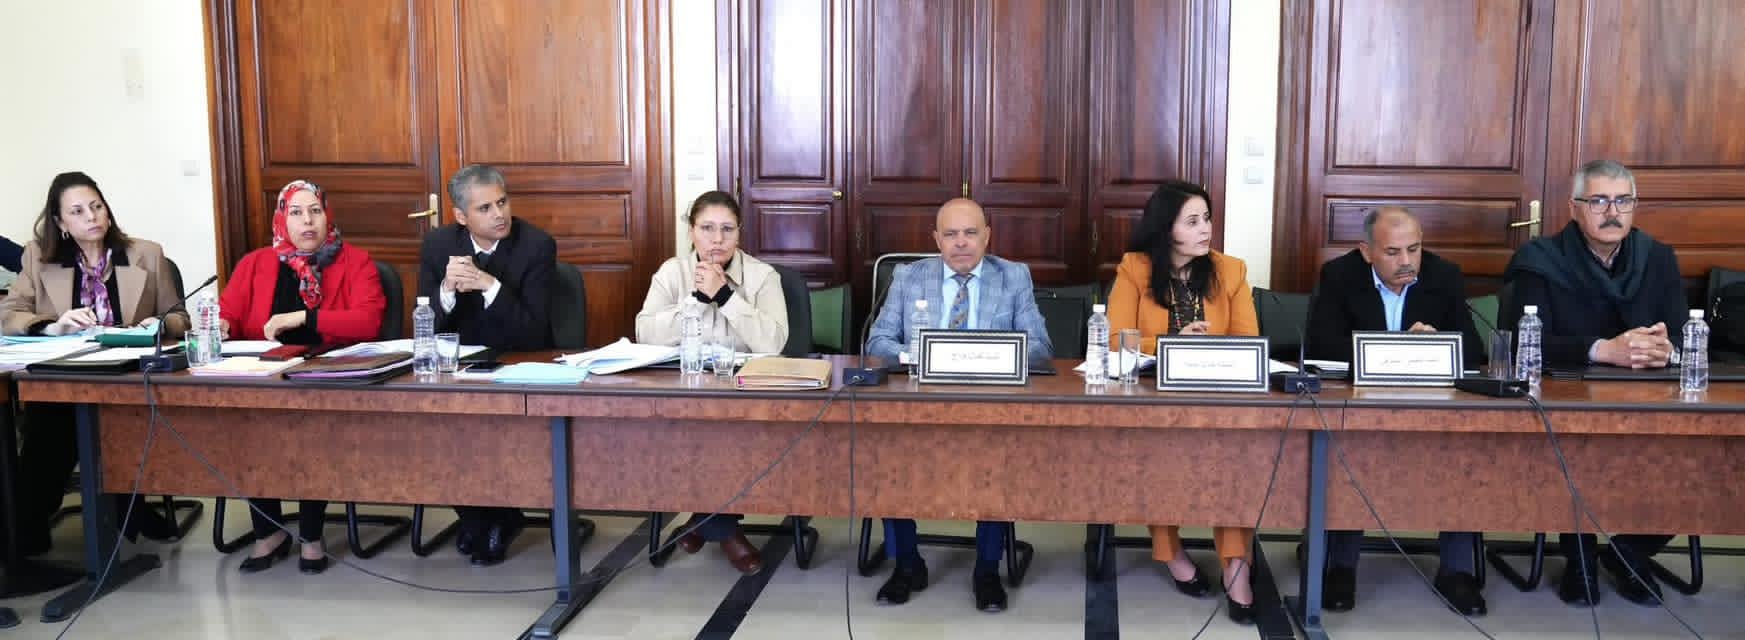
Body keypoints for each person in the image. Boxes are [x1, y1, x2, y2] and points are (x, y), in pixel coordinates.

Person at [1502, 159, 1686, 607]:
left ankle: (1631, 552)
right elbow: (1523, 341)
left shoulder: (1657, 258)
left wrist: (1668, 350)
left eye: (1623, 201)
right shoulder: (1539, 261)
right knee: (1577, 444)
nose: (1612, 212)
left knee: (1699, 455)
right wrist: (1604, 349)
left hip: (1648, 398)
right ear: (1574, 207)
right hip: (1567, 397)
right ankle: (1579, 557)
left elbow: (1686, 334)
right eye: (1599, 200)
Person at [864, 198, 1053, 613]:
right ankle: (907, 563)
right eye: (950, 234)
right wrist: (918, 355)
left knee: (996, 459)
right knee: (886, 453)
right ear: (936, 240)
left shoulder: (1013, 276)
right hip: (918, 405)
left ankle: (986, 569)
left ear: (987, 237)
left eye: (970, 233)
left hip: (989, 407)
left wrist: (987, 356)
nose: (961, 243)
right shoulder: (909, 276)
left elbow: (1041, 348)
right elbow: (877, 341)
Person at [1303, 207, 1487, 616]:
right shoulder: (1339, 276)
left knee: (1465, 448)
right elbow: (1322, 347)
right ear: (1366, 251)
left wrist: (1438, 344)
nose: (1406, 261)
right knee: (1345, 444)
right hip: (1361, 402)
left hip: (1433, 405)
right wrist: (1399, 349)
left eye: (1414, 249)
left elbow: (1475, 351)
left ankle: (1457, 571)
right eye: (1392, 252)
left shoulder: (1444, 276)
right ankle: (1340, 566)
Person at [1, 171, 191, 553]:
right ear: (60, 222)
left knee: (110, 422)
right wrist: (52, 325)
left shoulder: (146, 254)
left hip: (129, 383)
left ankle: (124, 507)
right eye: (78, 211)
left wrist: (158, 324)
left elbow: (179, 318)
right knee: (50, 428)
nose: (91, 216)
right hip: (63, 381)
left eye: (96, 206)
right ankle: (30, 528)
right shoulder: (38, 257)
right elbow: (9, 313)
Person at [1104, 180, 1260, 625]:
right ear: (1166, 228)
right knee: (1158, 456)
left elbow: (1247, 340)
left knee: (1236, 462)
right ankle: (1170, 552)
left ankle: (1236, 564)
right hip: (1156, 398)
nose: (1205, 229)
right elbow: (1117, 341)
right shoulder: (1135, 269)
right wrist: (1173, 341)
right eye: (1192, 221)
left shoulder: (1230, 270)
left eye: (1206, 218)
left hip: (1219, 398)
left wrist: (1208, 348)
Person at [218, 180, 386, 574]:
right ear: (281, 219)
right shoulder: (255, 264)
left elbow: (368, 321)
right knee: (245, 425)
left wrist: (304, 318)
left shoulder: (356, 262)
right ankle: (269, 532)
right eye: (296, 212)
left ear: (328, 216)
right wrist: (221, 325)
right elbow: (229, 314)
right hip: (263, 377)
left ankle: (311, 535)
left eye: (315, 211)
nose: (307, 221)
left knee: (311, 428)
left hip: (325, 378)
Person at [633, 190, 787, 575]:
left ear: (739, 233)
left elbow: (774, 343)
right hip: (683, 390)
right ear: (691, 232)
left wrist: (726, 297)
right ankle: (721, 528)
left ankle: (708, 524)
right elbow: (645, 333)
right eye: (707, 229)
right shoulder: (672, 273)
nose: (717, 240)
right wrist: (699, 300)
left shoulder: (763, 277)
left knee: (725, 433)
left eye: (727, 230)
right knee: (694, 431)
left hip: (745, 395)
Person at [417, 164, 556, 566]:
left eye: (502, 202)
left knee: (491, 431)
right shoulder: (438, 245)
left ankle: (498, 518)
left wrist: (490, 286)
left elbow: (533, 333)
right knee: (432, 432)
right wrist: (446, 289)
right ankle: (483, 517)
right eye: (485, 208)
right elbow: (425, 326)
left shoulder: (536, 246)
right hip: (459, 372)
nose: (499, 214)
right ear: (461, 217)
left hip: (519, 365)